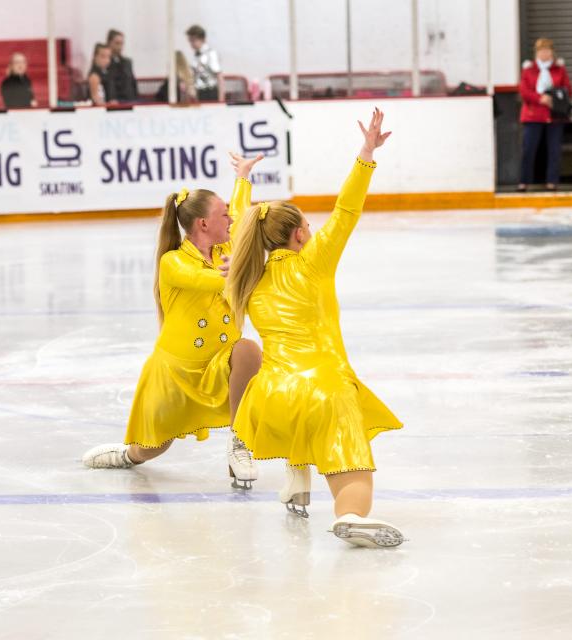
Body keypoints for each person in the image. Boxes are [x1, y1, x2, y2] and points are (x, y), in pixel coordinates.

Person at [227, 109, 405, 548]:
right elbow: (347, 209)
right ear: (300, 237)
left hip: (270, 396)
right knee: (351, 460)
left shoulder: (249, 272)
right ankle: (350, 516)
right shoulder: (313, 263)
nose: (313, 227)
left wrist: (243, 181)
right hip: (323, 388)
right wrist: (366, 155)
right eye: (308, 223)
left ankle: (297, 483)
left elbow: (242, 226)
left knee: (302, 421)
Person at [82, 152, 265, 490]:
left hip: (216, 366)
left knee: (248, 350)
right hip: (176, 374)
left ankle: (240, 443)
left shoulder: (226, 250)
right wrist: (239, 274)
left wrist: (243, 177)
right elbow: (209, 280)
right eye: (222, 215)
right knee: (152, 447)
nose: (230, 219)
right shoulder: (173, 263)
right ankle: (127, 456)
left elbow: (239, 213)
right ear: (203, 224)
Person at [518, 38, 572, 192]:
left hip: (555, 115)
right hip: (533, 115)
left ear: (552, 52)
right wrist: (540, 98)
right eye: (541, 50)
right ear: (537, 52)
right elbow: (524, 91)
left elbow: (568, 90)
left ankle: (552, 181)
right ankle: (524, 181)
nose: (545, 53)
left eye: (547, 50)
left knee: (554, 149)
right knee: (529, 148)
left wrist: (554, 98)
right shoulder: (529, 70)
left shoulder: (559, 70)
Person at [186, 24, 224, 102]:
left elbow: (219, 76)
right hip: (199, 93)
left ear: (202, 39)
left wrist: (221, 100)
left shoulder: (211, 54)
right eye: (190, 40)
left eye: (194, 40)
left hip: (210, 92)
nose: (191, 44)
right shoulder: (196, 56)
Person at [106, 29, 138, 103]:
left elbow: (133, 83)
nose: (120, 47)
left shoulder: (127, 62)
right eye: (117, 43)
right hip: (113, 103)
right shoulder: (106, 64)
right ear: (109, 43)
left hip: (130, 101)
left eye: (122, 43)